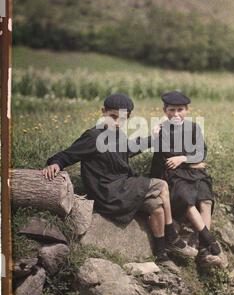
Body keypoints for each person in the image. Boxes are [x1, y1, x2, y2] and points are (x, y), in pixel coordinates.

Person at [42, 93, 196, 268]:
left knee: (157, 205)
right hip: (107, 191)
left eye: (122, 119)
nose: (116, 122)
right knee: (161, 185)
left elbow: (129, 149)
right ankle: (173, 238)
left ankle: (161, 254)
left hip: (121, 188)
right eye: (113, 117)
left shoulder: (118, 134)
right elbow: (68, 154)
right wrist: (55, 163)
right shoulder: (93, 136)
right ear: (103, 112)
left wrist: (154, 139)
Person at [150, 91, 223, 267]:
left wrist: (184, 159)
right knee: (187, 200)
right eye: (171, 110)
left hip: (191, 171)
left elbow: (200, 153)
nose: (176, 114)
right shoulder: (161, 130)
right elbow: (166, 160)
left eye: (180, 109)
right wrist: (155, 136)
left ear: (187, 110)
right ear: (164, 110)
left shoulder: (194, 128)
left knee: (205, 200)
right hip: (173, 175)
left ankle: (204, 249)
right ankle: (209, 239)